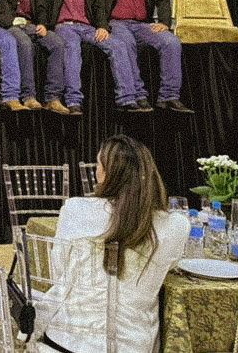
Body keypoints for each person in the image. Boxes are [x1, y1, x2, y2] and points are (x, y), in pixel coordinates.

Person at [34, 134, 189, 353]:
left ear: (107, 174)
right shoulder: (176, 225)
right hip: (134, 346)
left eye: (98, 165)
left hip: (65, 343)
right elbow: (170, 266)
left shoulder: (76, 210)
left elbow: (59, 271)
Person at [39, 0, 146, 115]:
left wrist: (103, 26)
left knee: (118, 45)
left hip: (88, 27)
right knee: (72, 49)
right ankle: (73, 100)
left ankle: (127, 98)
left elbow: (99, 7)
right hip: (65, 26)